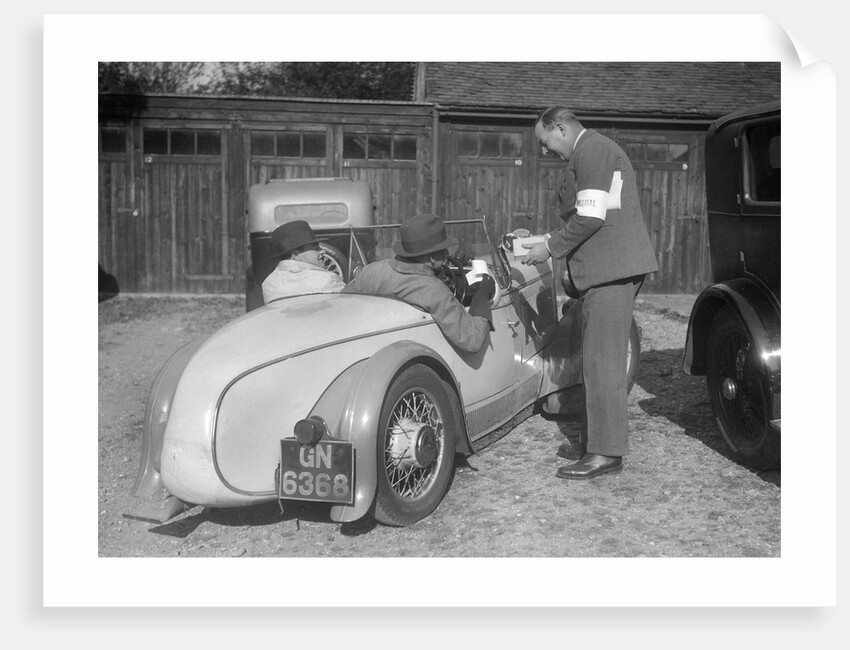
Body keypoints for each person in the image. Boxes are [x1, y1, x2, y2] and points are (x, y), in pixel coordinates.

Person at [523, 106, 658, 480]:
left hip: (612, 270)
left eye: (545, 140)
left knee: (604, 364)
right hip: (604, 270)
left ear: (561, 127)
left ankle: (605, 454)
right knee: (595, 360)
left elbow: (590, 217)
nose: (545, 150)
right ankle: (593, 441)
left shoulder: (593, 151)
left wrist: (550, 246)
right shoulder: (590, 151)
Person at [343, 212, 494, 354]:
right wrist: (481, 295)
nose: (448, 254)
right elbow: (472, 339)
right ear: (432, 259)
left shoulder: (371, 270)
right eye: (444, 250)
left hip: (363, 348)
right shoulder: (434, 290)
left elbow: (342, 302)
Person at [262, 220, 345, 303]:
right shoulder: (328, 280)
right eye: (315, 248)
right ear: (295, 255)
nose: (323, 251)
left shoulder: (268, 284)